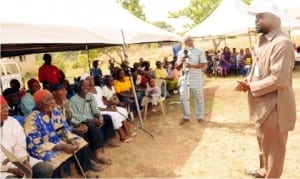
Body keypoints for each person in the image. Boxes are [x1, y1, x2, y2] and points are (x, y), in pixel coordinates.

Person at [235, 2, 296, 178]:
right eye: (255, 16)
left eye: (261, 16)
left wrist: (251, 86)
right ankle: (263, 171)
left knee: (274, 151)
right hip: (261, 106)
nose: (256, 20)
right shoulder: (262, 43)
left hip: (275, 108)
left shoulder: (282, 43)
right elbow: (259, 71)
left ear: (276, 17)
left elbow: (279, 80)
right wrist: (248, 80)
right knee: (263, 143)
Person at [24, 90, 102, 178]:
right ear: (39, 104)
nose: (52, 102)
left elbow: (65, 128)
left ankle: (85, 171)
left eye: (52, 99)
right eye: (48, 100)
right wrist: (60, 147)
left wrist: (71, 139)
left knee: (79, 142)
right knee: (51, 159)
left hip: (60, 141)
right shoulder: (32, 119)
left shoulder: (56, 112)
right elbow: (34, 145)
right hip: (45, 148)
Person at [0, 95, 54, 178]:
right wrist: (9, 169)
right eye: (2, 108)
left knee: (45, 168)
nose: (6, 110)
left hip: (16, 160)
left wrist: (24, 161)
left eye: (6, 107)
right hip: (2, 169)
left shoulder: (12, 122)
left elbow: (19, 146)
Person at [177, 36, 207, 125]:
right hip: (184, 77)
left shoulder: (200, 51)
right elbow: (177, 67)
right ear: (184, 43)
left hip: (196, 77)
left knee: (198, 98)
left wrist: (192, 66)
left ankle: (200, 117)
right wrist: (182, 60)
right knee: (183, 97)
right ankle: (186, 116)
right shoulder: (181, 53)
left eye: (190, 40)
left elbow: (203, 65)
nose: (188, 42)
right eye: (186, 41)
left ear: (192, 41)